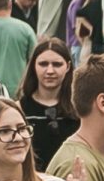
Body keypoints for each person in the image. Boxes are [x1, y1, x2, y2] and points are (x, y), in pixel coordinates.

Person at [20, 39, 80, 168]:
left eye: (57, 64)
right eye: (43, 64)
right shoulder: (19, 109)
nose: (50, 71)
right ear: (33, 65)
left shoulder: (80, 109)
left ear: (68, 66)